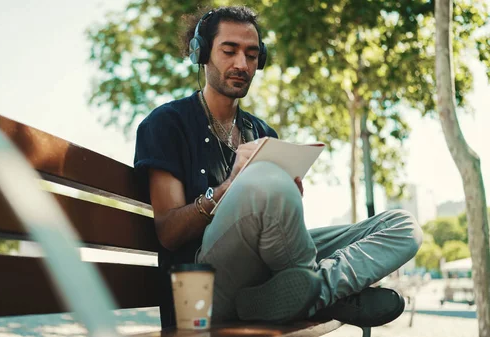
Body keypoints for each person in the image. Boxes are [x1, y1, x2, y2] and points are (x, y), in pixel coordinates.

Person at [133, 5, 423, 329]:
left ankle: (315, 291)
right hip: (201, 290)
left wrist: (286, 198)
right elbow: (169, 233)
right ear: (201, 53)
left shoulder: (262, 132)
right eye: (229, 51)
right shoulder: (166, 124)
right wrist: (230, 189)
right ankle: (328, 295)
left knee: (403, 226)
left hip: (265, 281)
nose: (242, 64)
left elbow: (277, 239)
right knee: (265, 180)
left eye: (252, 55)